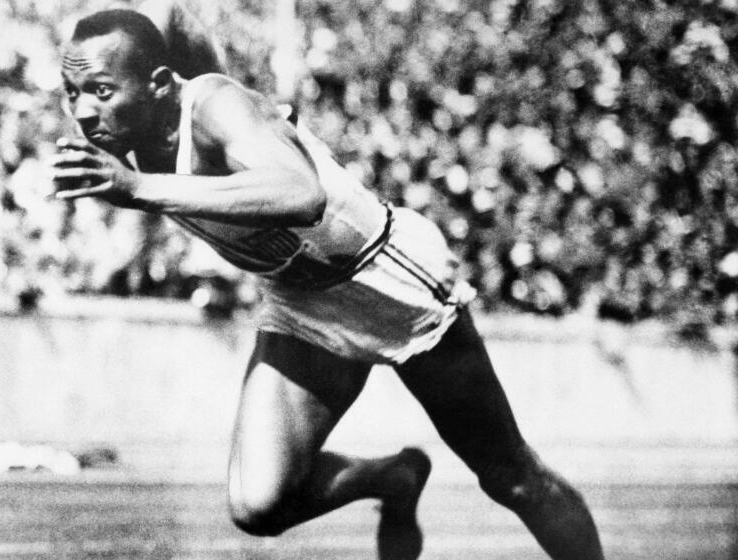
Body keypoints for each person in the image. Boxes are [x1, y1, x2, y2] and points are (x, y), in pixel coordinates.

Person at [50, 9, 605, 559]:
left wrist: (142, 187)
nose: (84, 111)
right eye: (72, 93)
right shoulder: (134, 130)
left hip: (388, 283)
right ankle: (391, 478)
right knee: (257, 506)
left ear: (160, 85)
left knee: (510, 478)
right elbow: (170, 22)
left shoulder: (218, 105)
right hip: (302, 304)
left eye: (101, 90)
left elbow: (301, 194)